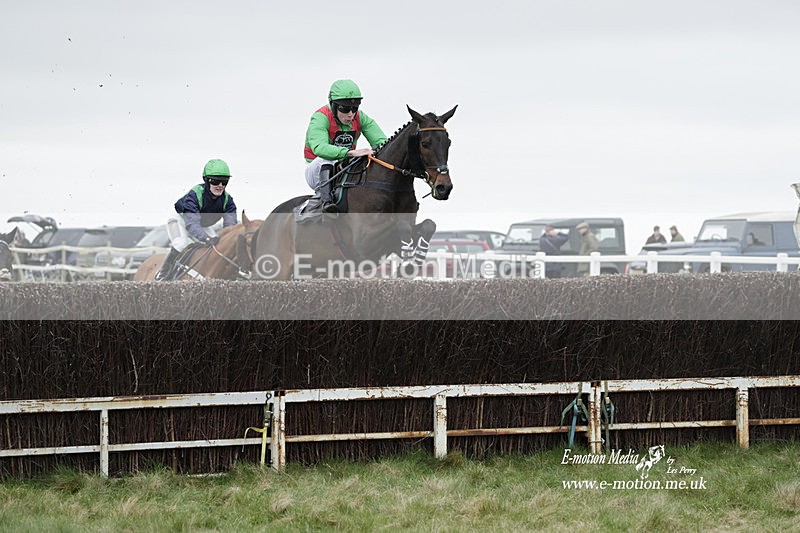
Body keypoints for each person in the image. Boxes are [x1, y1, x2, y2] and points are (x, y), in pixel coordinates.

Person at [302, 79, 387, 216]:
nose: (350, 114)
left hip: (343, 168)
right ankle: (327, 202)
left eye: (354, 108)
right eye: (345, 109)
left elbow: (382, 142)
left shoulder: (360, 117)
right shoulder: (320, 117)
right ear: (333, 105)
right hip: (316, 171)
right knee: (327, 159)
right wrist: (350, 152)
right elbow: (320, 148)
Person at [155, 159, 238, 281]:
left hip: (200, 224)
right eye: (215, 181)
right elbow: (191, 224)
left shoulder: (228, 200)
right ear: (206, 180)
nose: (220, 185)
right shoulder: (195, 194)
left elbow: (230, 228)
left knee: (218, 246)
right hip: (181, 220)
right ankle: (163, 274)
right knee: (181, 244)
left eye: (224, 181)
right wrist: (206, 238)